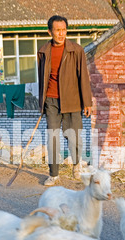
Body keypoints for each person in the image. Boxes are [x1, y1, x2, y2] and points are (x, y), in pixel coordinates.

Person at [37, 15, 93, 186]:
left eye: (63, 30)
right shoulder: (43, 51)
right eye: (57, 30)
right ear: (50, 31)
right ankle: (53, 174)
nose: (61, 34)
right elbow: (41, 77)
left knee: (74, 136)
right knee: (52, 137)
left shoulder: (76, 50)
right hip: (51, 101)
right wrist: (42, 102)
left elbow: (83, 76)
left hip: (72, 100)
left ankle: (76, 165)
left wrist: (87, 102)